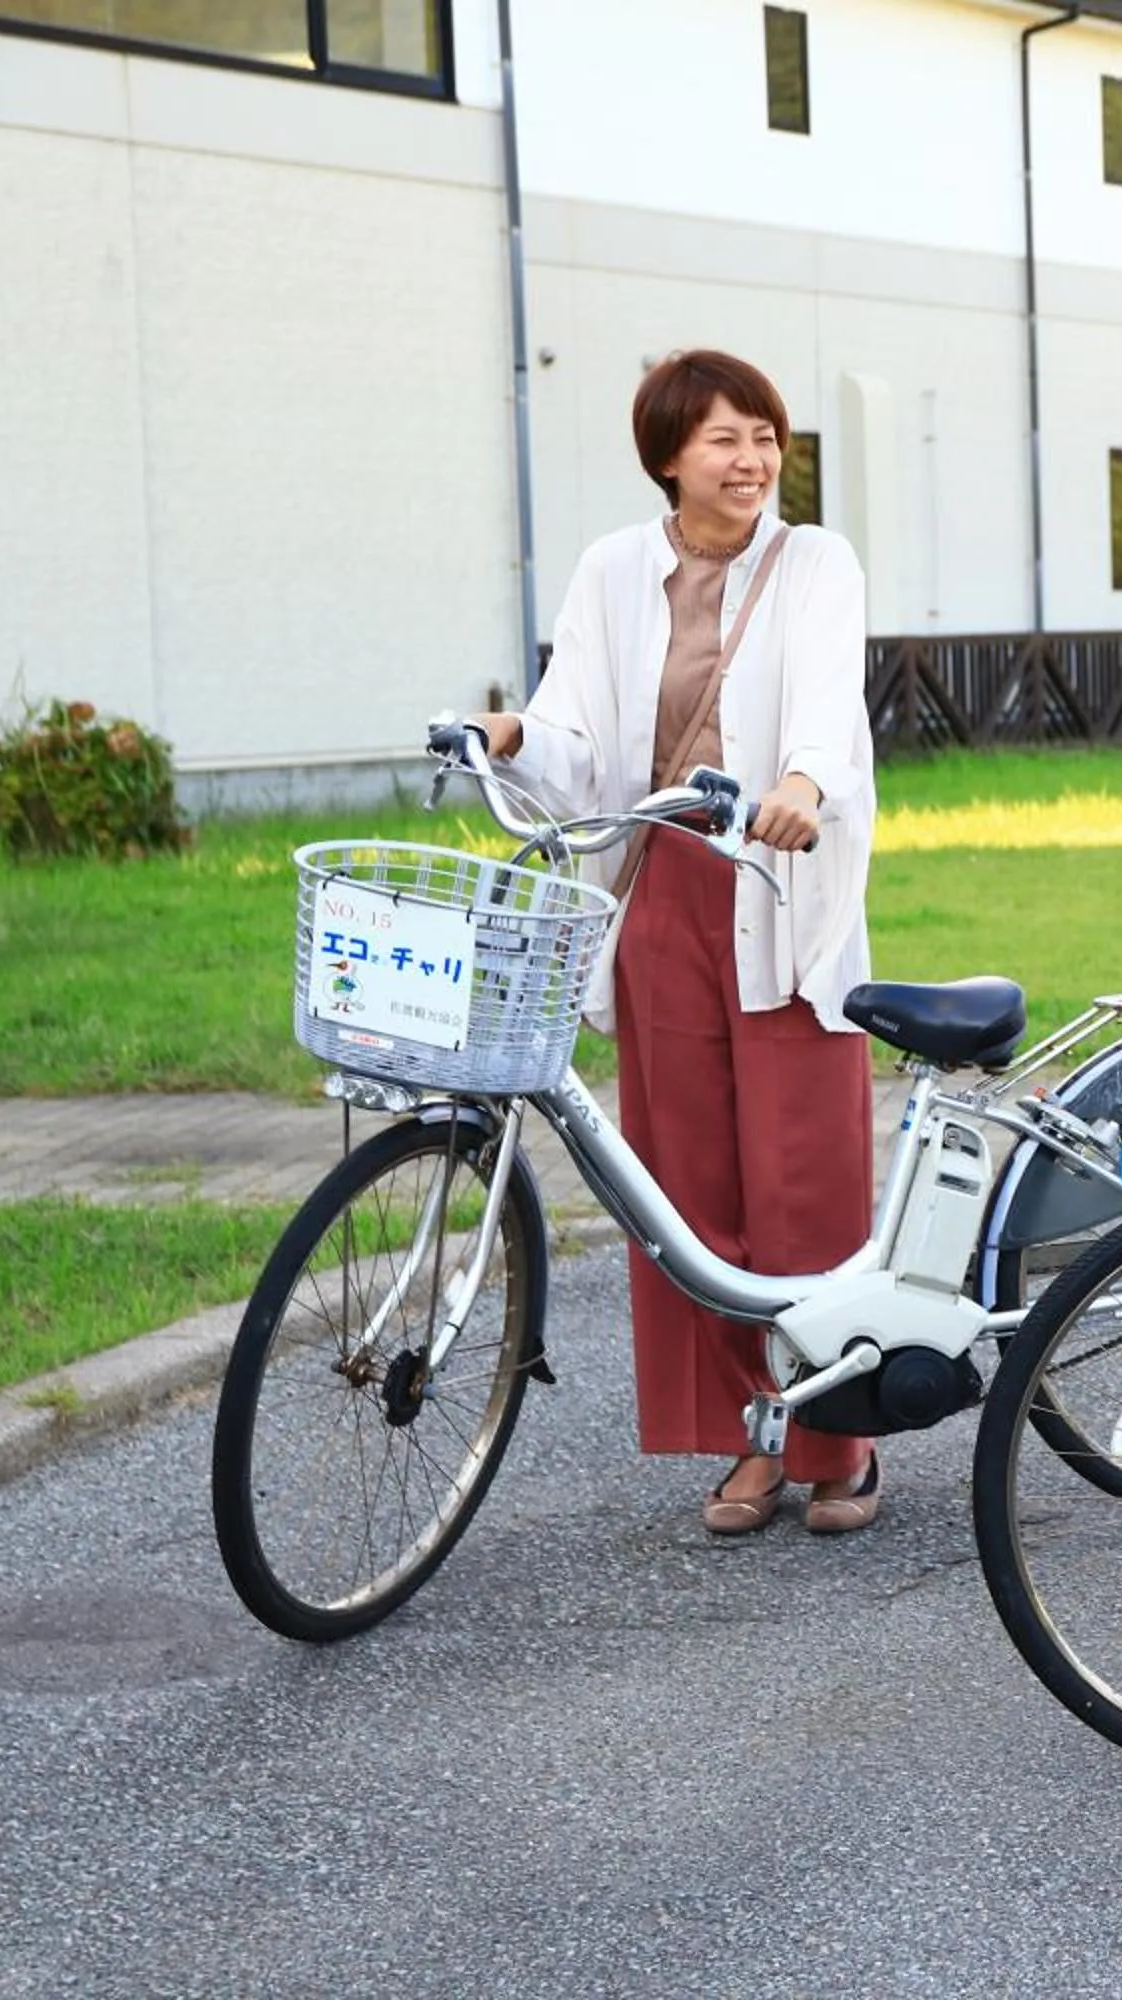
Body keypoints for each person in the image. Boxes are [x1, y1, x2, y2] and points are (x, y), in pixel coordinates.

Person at [467, 349, 885, 1538]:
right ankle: (749, 1437)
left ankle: (838, 1440)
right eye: (724, 439)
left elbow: (824, 702)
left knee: (804, 1187)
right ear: (667, 457)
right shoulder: (611, 570)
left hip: (776, 884)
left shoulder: (815, 563)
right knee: (687, 1194)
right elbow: (572, 728)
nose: (753, 459)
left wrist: (803, 778)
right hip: (660, 896)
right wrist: (507, 735)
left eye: (765, 435)